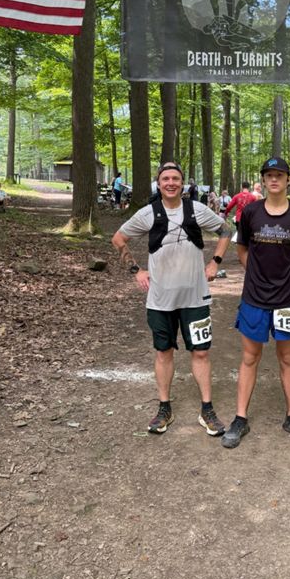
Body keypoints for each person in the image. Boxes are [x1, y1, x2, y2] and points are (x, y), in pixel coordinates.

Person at [112, 162, 232, 436]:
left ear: (182, 182)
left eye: (175, 178)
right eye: (165, 178)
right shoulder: (147, 213)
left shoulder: (196, 209)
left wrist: (215, 262)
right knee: (163, 351)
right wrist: (136, 270)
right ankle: (164, 408)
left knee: (201, 352)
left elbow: (226, 230)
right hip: (160, 299)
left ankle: (207, 409)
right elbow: (118, 239)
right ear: (158, 183)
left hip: (195, 297)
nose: (170, 183)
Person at [222, 156, 290, 449]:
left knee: (287, 358)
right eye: (269, 175)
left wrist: (285, 274)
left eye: (279, 175)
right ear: (263, 180)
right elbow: (241, 249)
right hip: (254, 297)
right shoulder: (250, 212)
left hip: (288, 299)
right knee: (250, 357)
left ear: (288, 180)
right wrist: (257, 274)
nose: (274, 179)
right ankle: (240, 418)